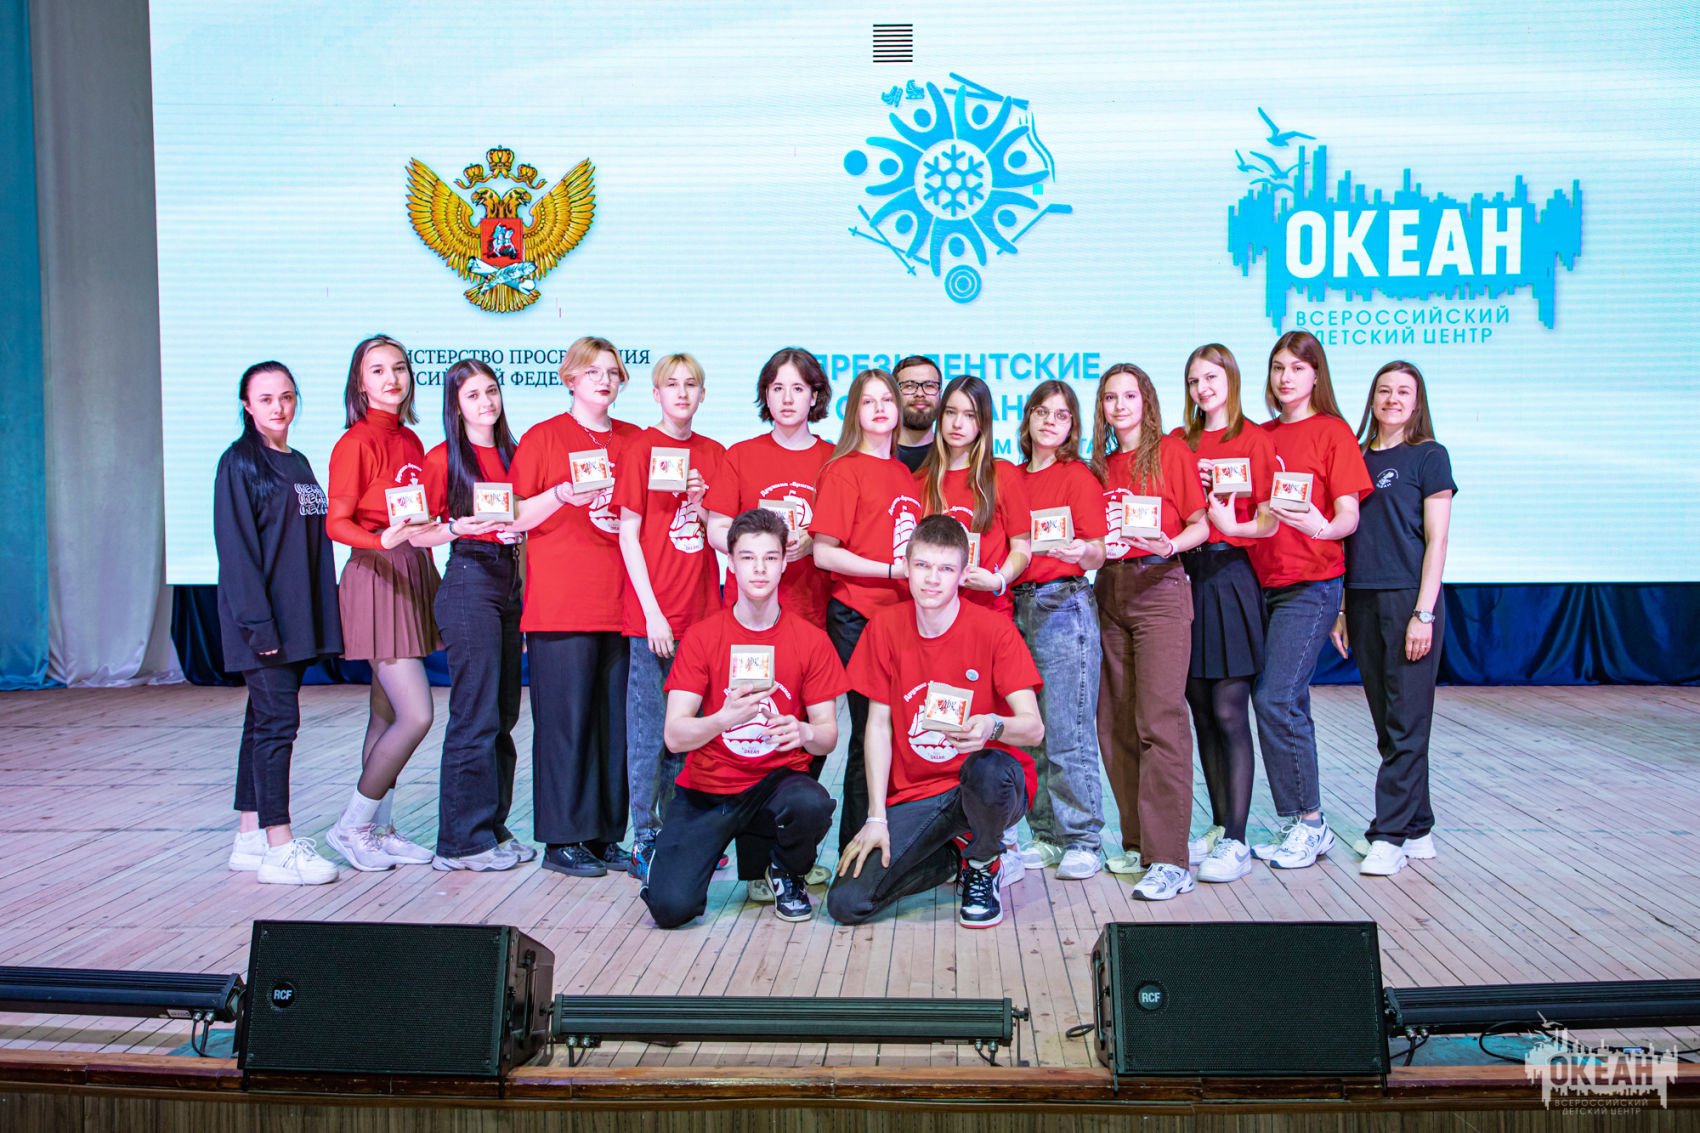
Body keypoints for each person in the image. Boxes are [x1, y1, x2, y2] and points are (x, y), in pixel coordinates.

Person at [828, 515, 1045, 928]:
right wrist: (875, 818)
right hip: (918, 794)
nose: (932, 579)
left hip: (983, 785)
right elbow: (877, 727)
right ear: (906, 567)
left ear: (963, 575)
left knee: (991, 769)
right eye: (923, 566)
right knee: (846, 902)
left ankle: (983, 863)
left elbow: (1033, 728)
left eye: (945, 569)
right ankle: (952, 857)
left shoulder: (995, 630)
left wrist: (992, 725)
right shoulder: (885, 627)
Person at [642, 508, 847, 927]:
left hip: (775, 783)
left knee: (811, 803)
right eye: (748, 558)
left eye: (770, 557)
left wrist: (803, 730)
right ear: (731, 563)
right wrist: (723, 718)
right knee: (669, 908)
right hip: (710, 788)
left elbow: (828, 736)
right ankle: (672, 858)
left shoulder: (811, 640)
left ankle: (786, 872)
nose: (759, 568)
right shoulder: (702, 637)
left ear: (784, 563)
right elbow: (675, 736)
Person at [417, 359, 572, 871]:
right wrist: (458, 528)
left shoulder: (515, 451)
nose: (485, 403)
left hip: (510, 580)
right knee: (475, 713)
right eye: (472, 396)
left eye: (491, 391)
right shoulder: (442, 458)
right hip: (469, 580)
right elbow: (418, 533)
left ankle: (492, 828)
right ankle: (460, 843)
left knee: (504, 714)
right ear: (455, 406)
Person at [703, 347, 836, 896]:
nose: (787, 398)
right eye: (777, 388)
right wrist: (760, 546)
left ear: (815, 396)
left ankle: (790, 857)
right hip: (749, 623)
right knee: (751, 731)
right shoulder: (741, 455)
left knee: (804, 738)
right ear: (765, 395)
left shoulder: (833, 459)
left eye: (798, 388)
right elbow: (715, 527)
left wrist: (813, 543)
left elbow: (844, 533)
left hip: (811, 618)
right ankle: (756, 866)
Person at [510, 336, 642, 877]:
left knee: (614, 727)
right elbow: (515, 516)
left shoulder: (635, 439)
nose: (604, 381)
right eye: (592, 372)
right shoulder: (543, 438)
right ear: (569, 378)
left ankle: (605, 834)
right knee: (566, 725)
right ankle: (563, 839)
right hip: (561, 605)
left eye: (612, 372)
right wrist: (561, 495)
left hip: (622, 604)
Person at [1247, 331, 1373, 870]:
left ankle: (1311, 823)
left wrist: (1321, 528)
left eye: (1297, 368)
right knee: (1285, 702)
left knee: (1276, 699)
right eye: (1278, 367)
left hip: (1312, 585)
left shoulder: (1332, 431)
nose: (1286, 377)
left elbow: (1349, 515)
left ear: (1316, 375)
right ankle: (1298, 821)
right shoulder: (1260, 435)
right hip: (1260, 585)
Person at [215, 361, 342, 885]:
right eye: (265, 399)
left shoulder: (298, 461)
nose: (278, 407)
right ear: (247, 406)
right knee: (277, 727)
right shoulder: (239, 463)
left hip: (296, 620)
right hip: (262, 624)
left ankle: (248, 836)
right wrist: (258, 625)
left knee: (261, 724)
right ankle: (279, 846)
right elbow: (237, 552)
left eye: (286, 396)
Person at [1090, 363, 1209, 898]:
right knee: (1115, 722)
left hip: (1160, 585)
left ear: (1147, 402)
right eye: (1110, 398)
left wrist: (1170, 544)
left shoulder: (1171, 453)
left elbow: (1200, 524)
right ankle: (1138, 842)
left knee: (1159, 720)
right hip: (1109, 588)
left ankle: (1170, 860)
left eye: (1129, 396)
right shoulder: (1097, 466)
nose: (1119, 406)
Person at [1332, 361, 1455, 877]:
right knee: (1389, 725)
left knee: (1407, 721)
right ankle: (1418, 826)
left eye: (1404, 391)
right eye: (1384, 390)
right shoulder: (1356, 458)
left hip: (1409, 601)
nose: (1393, 399)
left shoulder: (1429, 456)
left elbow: (1437, 541)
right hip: (1361, 600)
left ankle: (1388, 835)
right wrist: (1342, 608)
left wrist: (1423, 612)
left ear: (1417, 400)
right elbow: (1347, 540)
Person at [324, 334, 441, 873]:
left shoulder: (412, 440)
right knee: (417, 714)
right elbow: (336, 522)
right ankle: (351, 826)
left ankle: (378, 828)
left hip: (411, 573)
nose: (391, 378)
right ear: (359, 383)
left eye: (399, 368)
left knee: (386, 714)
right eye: (377, 370)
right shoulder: (355, 443)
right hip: (376, 576)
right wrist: (380, 541)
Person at [614, 353, 725, 880]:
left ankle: (684, 833)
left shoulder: (713, 453)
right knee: (649, 733)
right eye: (671, 384)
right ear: (656, 394)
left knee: (693, 733)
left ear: (703, 394)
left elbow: (721, 534)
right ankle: (646, 835)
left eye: (691, 384)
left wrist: (701, 504)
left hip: (702, 616)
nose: (682, 393)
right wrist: (653, 614)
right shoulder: (640, 448)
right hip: (653, 620)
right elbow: (627, 535)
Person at [1175, 344, 1278, 885]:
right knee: (1200, 710)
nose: (1203, 389)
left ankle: (1238, 837)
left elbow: (1270, 520)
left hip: (1231, 576)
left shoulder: (1254, 439)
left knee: (1230, 710)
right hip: (1184, 579)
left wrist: (1232, 527)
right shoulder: (1179, 441)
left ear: (1231, 379)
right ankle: (1219, 826)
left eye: (1211, 378)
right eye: (1194, 381)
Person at [811, 368, 923, 855]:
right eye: (868, 401)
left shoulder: (902, 473)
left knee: (894, 732)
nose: (879, 409)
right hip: (857, 617)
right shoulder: (844, 469)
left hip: (900, 620)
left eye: (887, 400)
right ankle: (851, 854)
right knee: (867, 736)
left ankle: (888, 844)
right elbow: (824, 554)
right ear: (853, 411)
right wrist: (893, 570)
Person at [1012, 380, 1108, 880]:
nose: (1050, 421)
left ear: (1072, 426)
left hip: (1062, 605)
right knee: (1032, 731)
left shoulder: (1077, 476)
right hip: (1015, 606)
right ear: (1027, 417)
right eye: (1042, 412)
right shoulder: (1010, 477)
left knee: (1068, 729)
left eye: (1062, 415)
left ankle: (1083, 838)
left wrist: (1082, 551)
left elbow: (1099, 549)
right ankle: (1046, 834)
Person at [916, 375, 1031, 620]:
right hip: (933, 618)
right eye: (950, 412)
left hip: (991, 614)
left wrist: (998, 580)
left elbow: (1022, 547)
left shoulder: (1003, 474)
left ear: (983, 422)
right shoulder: (919, 481)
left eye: (970, 415)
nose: (958, 423)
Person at [893, 355, 943, 472]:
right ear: (894, 394)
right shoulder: (875, 455)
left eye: (929, 386)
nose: (920, 394)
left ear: (940, 394)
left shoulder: (955, 457)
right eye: (909, 386)